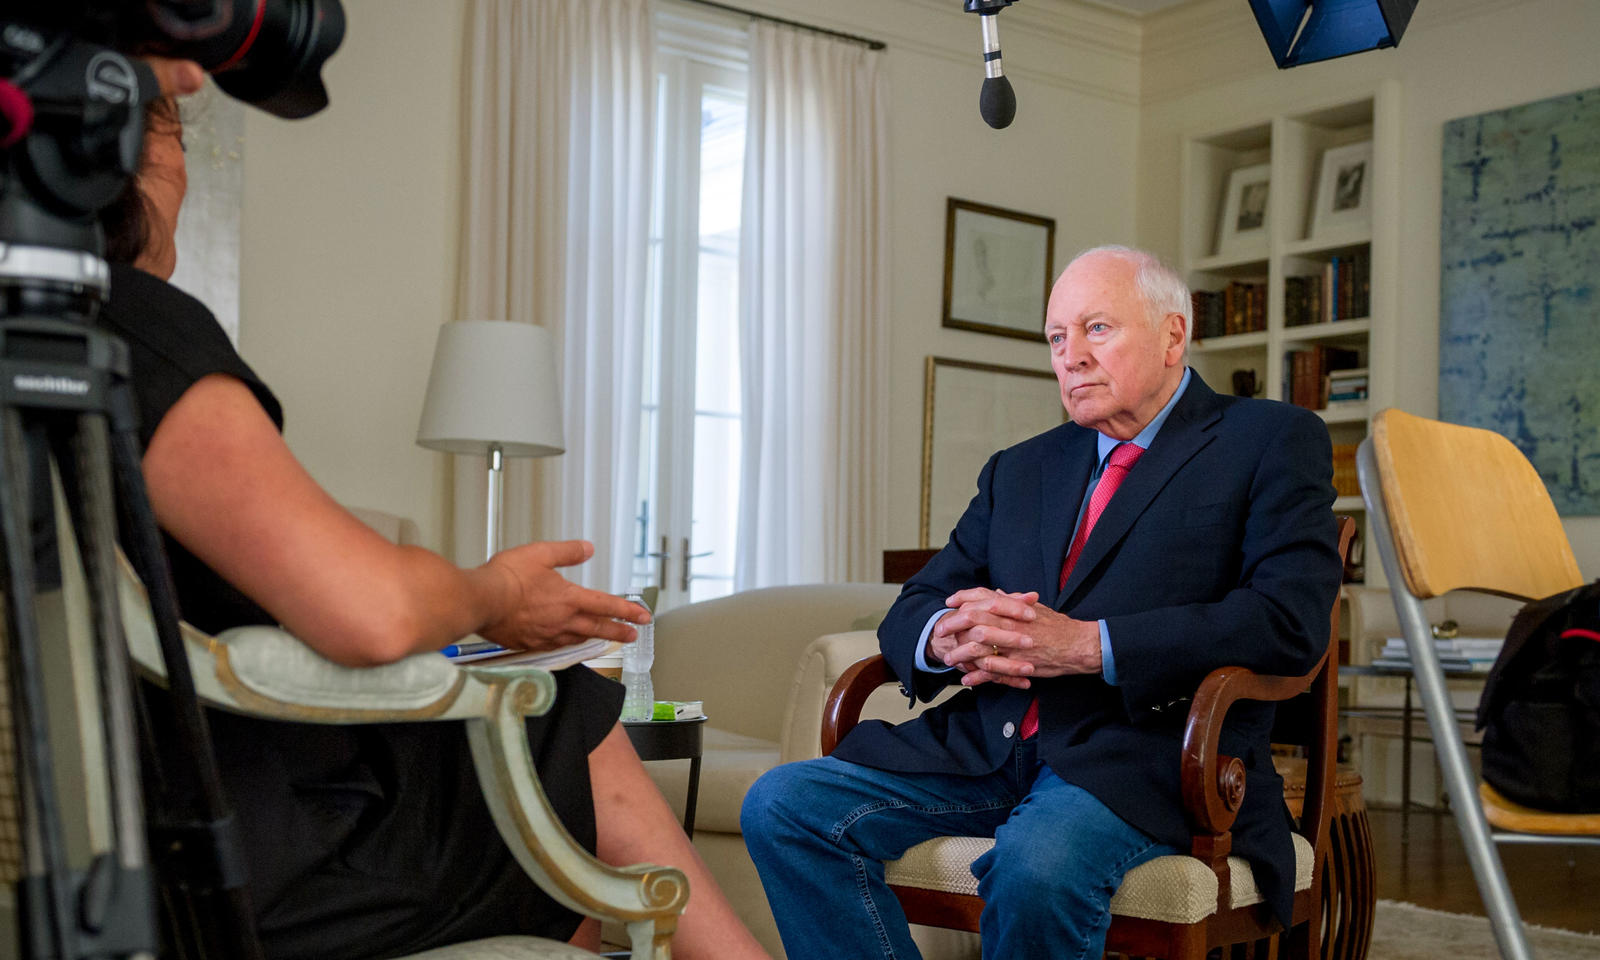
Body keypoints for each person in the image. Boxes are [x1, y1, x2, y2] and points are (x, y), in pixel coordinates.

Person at [114, 58, 770, 960]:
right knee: (561, 709)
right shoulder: (133, 331)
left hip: (130, 827)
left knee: (537, 754)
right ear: (130, 155)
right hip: (249, 864)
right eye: (174, 131)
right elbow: (370, 612)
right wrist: (498, 592)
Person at [741, 245, 1342, 959]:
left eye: (1096, 329)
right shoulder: (1022, 468)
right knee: (783, 805)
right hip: (985, 746)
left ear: (1172, 335)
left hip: (1149, 755)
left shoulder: (1268, 439)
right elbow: (919, 601)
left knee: (1038, 866)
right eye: (1057, 338)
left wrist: (1090, 645)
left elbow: (1288, 620)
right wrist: (945, 635)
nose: (1071, 356)